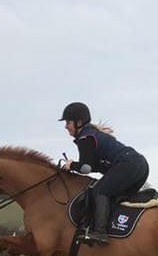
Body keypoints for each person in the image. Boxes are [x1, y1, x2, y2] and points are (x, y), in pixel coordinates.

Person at [59, 102, 149, 245]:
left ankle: (100, 233)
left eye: (68, 122)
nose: (66, 126)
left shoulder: (85, 137)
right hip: (141, 166)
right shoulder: (92, 135)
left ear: (79, 122)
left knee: (99, 191)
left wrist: (71, 165)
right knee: (113, 196)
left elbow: (85, 168)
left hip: (128, 165)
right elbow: (94, 166)